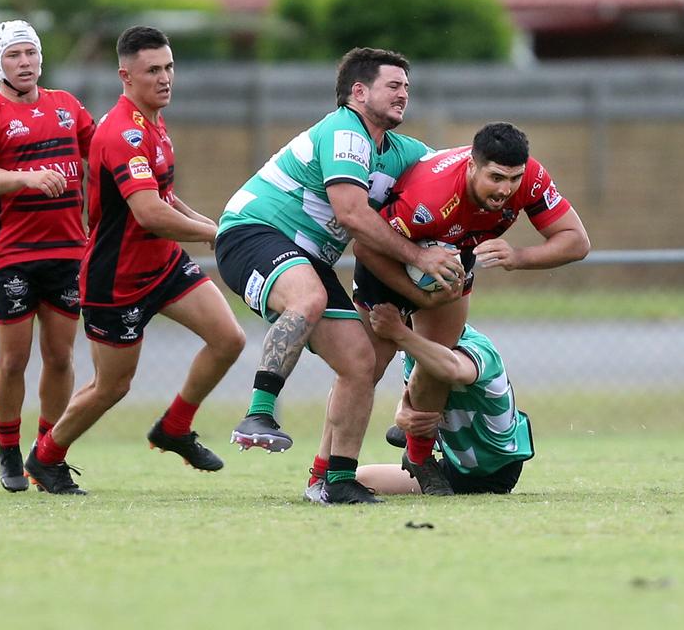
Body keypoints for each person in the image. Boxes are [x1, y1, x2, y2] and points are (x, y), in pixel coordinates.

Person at [215, 47, 464, 504]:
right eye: (393, 85)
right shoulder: (344, 131)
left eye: (407, 87)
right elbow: (351, 214)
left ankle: (335, 480)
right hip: (253, 233)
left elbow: (453, 172)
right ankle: (259, 413)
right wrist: (422, 258)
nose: (403, 94)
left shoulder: (400, 151)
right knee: (306, 298)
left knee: (360, 364)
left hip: (308, 258)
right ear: (358, 91)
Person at [23, 25, 246, 494]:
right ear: (126, 76)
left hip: (163, 264)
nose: (165, 78)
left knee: (228, 338)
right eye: (152, 71)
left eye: (169, 68)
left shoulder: (154, 122)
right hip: (116, 279)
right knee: (112, 387)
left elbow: (164, 196)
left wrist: (218, 226)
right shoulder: (122, 132)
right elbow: (148, 213)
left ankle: (175, 428)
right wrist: (215, 235)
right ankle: (46, 458)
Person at [326, 121, 588, 497]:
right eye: (496, 177)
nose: (505, 189)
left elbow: (577, 241)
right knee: (362, 370)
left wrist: (519, 256)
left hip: (447, 264)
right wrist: (416, 278)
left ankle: (418, 456)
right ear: (471, 165)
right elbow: (366, 247)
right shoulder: (430, 198)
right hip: (387, 260)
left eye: (513, 179)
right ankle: (325, 473)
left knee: (437, 359)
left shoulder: (530, 179)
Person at [0, 20, 95, 492]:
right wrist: (28, 177)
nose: (25, 63)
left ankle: (46, 454)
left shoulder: (67, 106)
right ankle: (7, 449)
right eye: (14, 56)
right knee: (13, 361)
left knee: (60, 357)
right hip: (15, 254)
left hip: (68, 252)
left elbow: (98, 158)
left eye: (30, 54)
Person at [353, 303, 533, 496]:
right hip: (453, 466)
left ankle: (418, 453)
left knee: (433, 370)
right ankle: (416, 448)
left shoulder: (475, 346)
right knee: (359, 480)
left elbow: (451, 370)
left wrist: (398, 331)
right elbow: (413, 392)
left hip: (496, 468)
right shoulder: (415, 352)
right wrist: (402, 414)